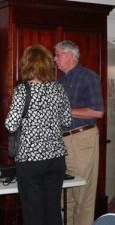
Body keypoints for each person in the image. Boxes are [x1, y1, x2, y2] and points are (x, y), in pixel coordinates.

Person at [5, 44, 71, 225]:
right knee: (53, 210)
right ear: (47, 64)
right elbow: (66, 121)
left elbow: (10, 124)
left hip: (31, 160)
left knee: (33, 212)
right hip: (56, 158)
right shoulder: (58, 88)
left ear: (26, 64)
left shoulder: (23, 90)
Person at [55, 40, 104, 225]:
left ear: (69, 55)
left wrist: (64, 110)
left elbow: (97, 111)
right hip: (62, 141)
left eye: (58, 54)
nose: (55, 59)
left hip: (82, 138)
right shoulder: (59, 80)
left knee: (83, 195)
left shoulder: (88, 77)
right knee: (65, 194)